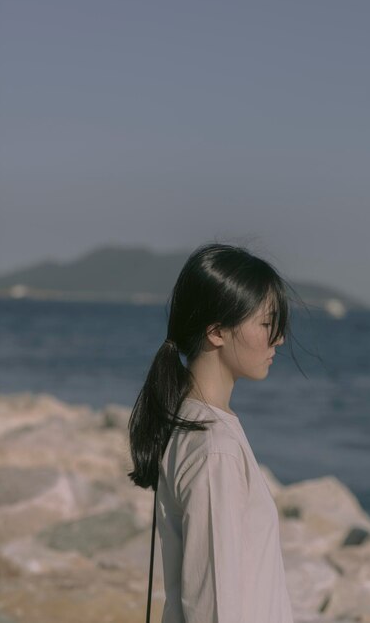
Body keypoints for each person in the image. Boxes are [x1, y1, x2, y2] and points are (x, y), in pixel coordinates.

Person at [127, 242, 296, 623]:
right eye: (267, 324)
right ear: (217, 332)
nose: (279, 338)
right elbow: (213, 604)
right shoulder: (214, 448)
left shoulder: (195, 424)